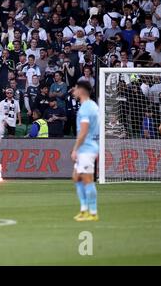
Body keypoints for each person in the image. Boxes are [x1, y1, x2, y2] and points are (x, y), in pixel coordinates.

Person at [71, 81, 100, 222]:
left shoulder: (85, 109)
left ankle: (92, 212)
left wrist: (75, 149)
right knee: (76, 177)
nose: (73, 91)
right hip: (89, 146)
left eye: (75, 88)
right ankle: (83, 210)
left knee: (87, 179)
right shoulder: (93, 105)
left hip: (86, 148)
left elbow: (83, 132)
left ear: (81, 90)